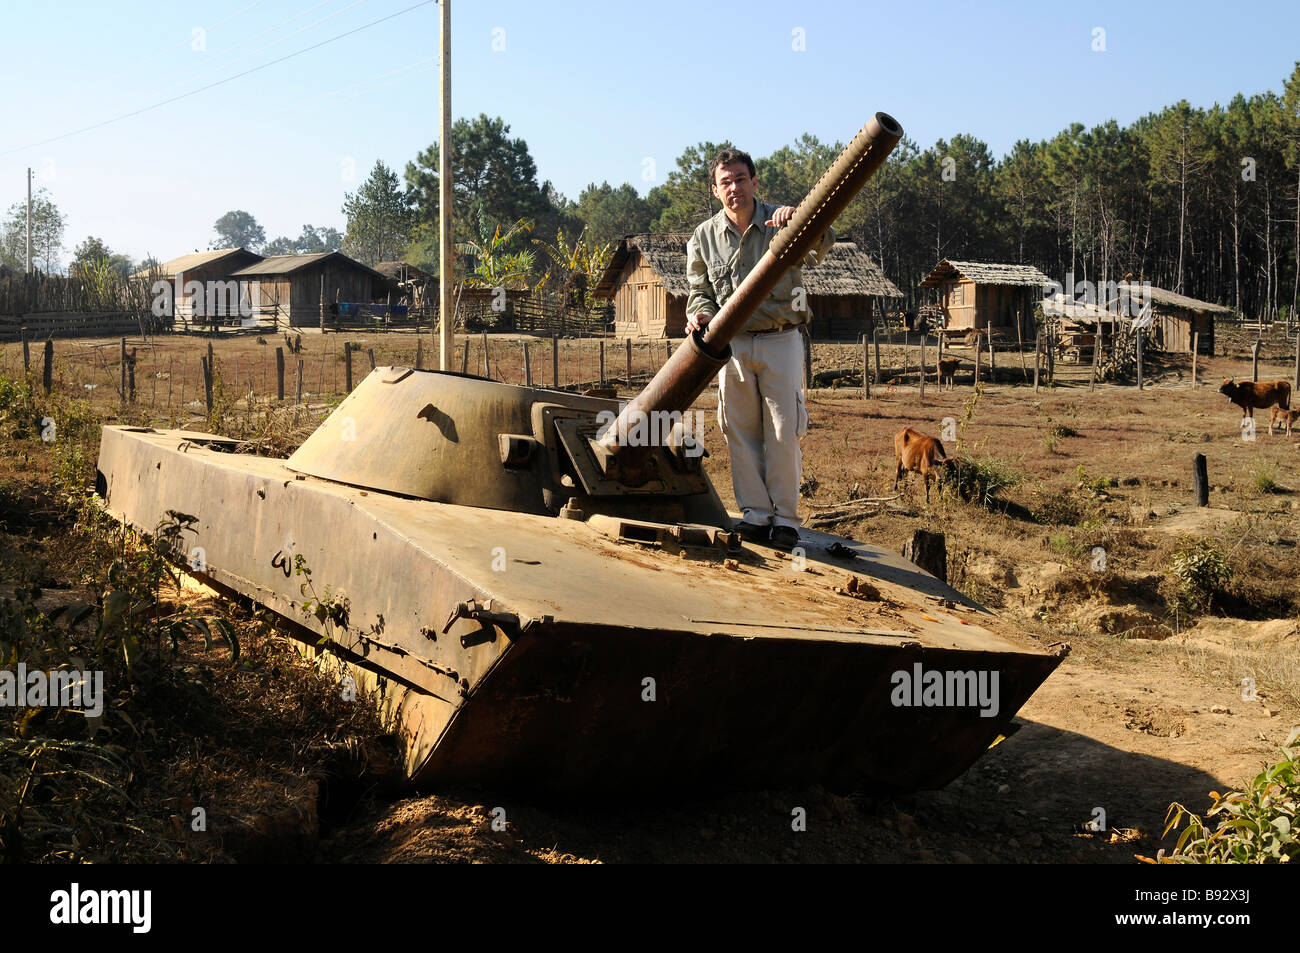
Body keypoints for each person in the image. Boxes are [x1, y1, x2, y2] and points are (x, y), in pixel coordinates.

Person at [685, 148, 833, 550]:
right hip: (730, 345)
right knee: (739, 430)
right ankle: (755, 514)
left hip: (780, 337)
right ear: (715, 191)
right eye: (726, 182)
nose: (735, 187)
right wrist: (699, 315)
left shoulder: (780, 222)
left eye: (741, 178)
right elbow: (699, 293)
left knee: (784, 431)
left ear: (754, 181)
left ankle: (785, 520)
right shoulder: (703, 237)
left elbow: (822, 244)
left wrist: (800, 220)